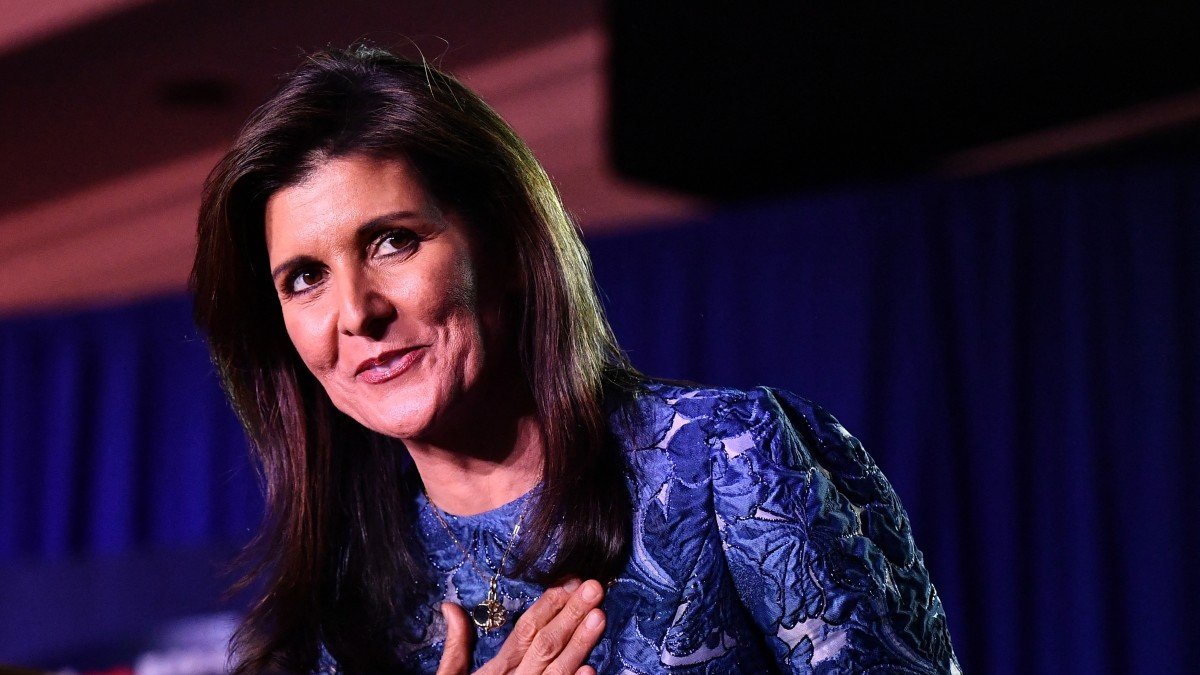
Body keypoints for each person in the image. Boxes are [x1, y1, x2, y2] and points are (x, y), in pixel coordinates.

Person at [191, 45, 960, 674]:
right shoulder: (332, 614)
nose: (357, 312)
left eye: (394, 241)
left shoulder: (728, 461)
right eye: (305, 278)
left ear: (505, 243)